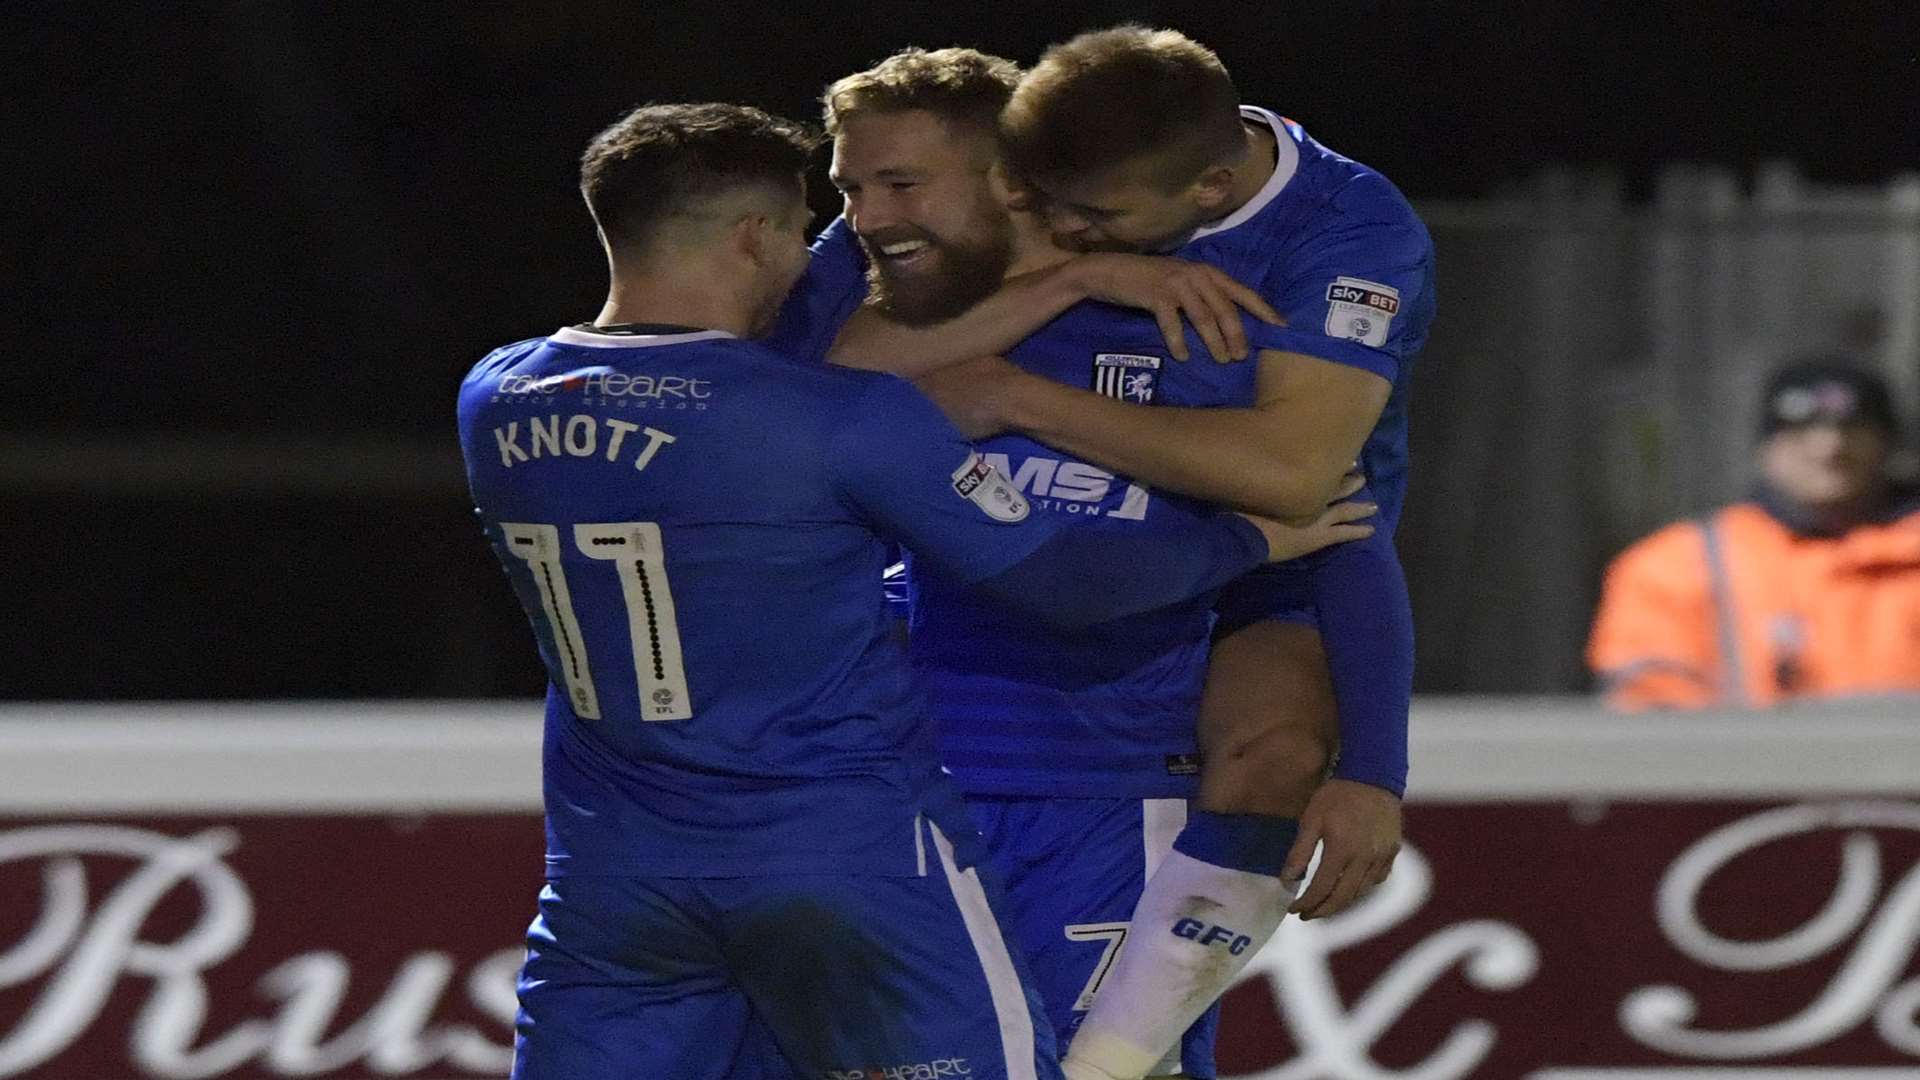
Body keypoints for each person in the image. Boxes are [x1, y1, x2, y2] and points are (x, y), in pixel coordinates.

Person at [455, 102, 1317, 1080]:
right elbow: (1069, 584)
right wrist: (1252, 534)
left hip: (617, 876)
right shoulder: (844, 422)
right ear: (755, 236)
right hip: (846, 862)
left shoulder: (494, 396)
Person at [792, 36, 1430, 1079]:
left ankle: (1115, 1064)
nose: (1055, 223)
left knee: (1271, 753)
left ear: (1211, 193)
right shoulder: (1001, 211)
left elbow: (1307, 490)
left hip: (1236, 591)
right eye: (1042, 202)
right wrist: (1073, 277)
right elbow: (807, 379)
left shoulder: (1335, 239)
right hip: (958, 716)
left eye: (1088, 219)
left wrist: (1374, 768)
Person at [1589, 359, 1920, 709]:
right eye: (1800, 431)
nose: (1829, 449)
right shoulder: (1680, 564)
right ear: (1765, 448)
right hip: (1741, 763)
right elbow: (1651, 709)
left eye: (1852, 430)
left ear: (1888, 444)